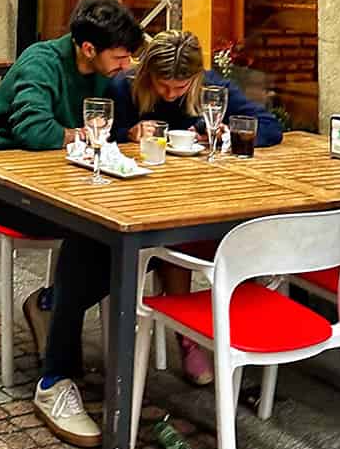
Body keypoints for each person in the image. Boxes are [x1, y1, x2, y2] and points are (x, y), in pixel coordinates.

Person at [0, 0, 145, 448]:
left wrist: (131, 132)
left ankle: (51, 304)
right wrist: (83, 136)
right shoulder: (41, 62)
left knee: (124, 228)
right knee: (92, 236)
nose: (126, 65)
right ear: (87, 48)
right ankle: (54, 380)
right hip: (2, 184)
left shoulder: (108, 78)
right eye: (119, 56)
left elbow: (113, 127)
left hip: (67, 184)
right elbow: (33, 130)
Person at [112, 28, 284, 384]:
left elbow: (269, 128)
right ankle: (188, 339)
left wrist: (222, 134)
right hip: (134, 197)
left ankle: (229, 329)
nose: (170, 94)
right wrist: (128, 134)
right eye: (163, 86)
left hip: (195, 195)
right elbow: (102, 131)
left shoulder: (212, 88)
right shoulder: (125, 86)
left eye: (179, 87)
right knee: (169, 236)